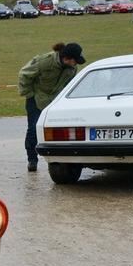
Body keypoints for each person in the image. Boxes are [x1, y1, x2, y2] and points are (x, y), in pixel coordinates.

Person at [18, 42, 85, 172]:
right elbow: (24, 74)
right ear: (67, 59)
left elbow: (69, 85)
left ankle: (60, 162)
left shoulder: (71, 69)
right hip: (36, 100)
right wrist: (29, 94)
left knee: (60, 132)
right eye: (75, 61)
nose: (76, 64)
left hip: (55, 102)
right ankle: (32, 160)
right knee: (33, 130)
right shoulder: (44, 62)